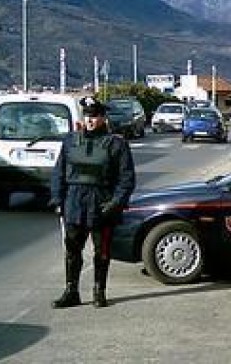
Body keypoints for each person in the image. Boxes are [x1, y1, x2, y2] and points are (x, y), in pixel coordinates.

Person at [49, 96, 136, 308]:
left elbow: (127, 179)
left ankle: (99, 290)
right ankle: (71, 291)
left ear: (103, 118)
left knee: (102, 252)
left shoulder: (116, 144)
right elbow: (59, 173)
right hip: (74, 202)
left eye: (95, 116)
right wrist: (57, 199)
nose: (90, 120)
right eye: (87, 115)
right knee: (71, 250)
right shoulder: (70, 141)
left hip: (101, 203)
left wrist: (114, 204)